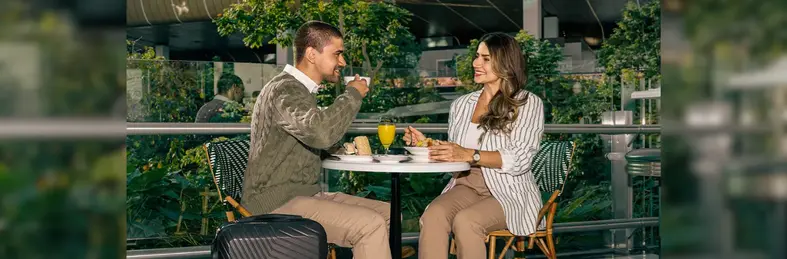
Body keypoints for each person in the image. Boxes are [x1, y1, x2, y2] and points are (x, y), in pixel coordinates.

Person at [242, 21, 413, 259]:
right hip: (275, 202)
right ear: (312, 54)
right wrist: (352, 94)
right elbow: (319, 133)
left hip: (302, 195)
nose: (342, 62)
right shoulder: (285, 89)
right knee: (370, 224)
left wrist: (338, 148)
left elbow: (304, 139)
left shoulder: (298, 91)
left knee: (391, 214)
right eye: (337, 54)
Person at [404, 32, 545, 259]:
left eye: (486, 58)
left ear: (506, 62)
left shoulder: (526, 103)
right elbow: (457, 155)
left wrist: (472, 154)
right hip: (466, 185)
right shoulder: (461, 105)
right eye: (477, 56)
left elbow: (521, 158)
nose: (475, 63)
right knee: (433, 215)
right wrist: (425, 145)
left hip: (508, 191)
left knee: (466, 222)